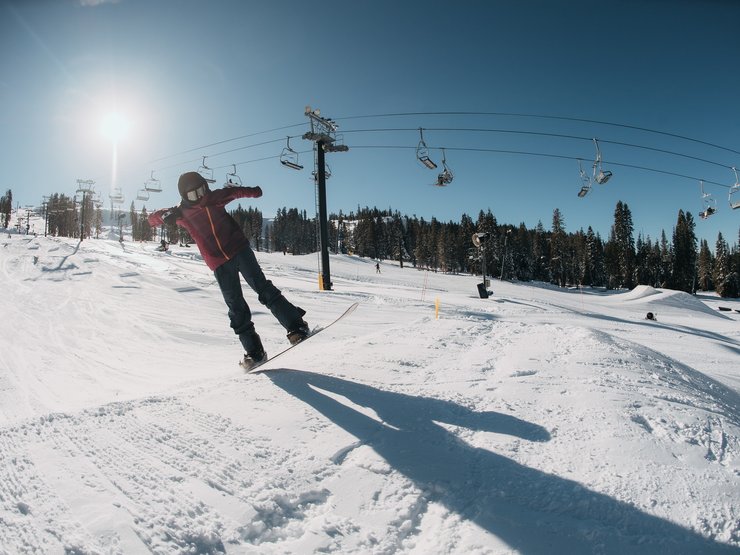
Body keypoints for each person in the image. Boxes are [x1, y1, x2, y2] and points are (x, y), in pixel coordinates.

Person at [148, 171, 309, 370]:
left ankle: (296, 326)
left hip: (239, 249)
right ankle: (254, 352)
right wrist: (163, 215)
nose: (199, 197)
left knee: (263, 289)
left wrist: (255, 192)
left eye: (202, 190)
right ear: (184, 196)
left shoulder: (214, 198)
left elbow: (236, 192)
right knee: (236, 306)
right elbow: (151, 219)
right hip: (218, 263)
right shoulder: (180, 212)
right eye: (193, 195)